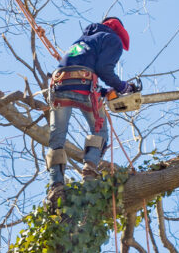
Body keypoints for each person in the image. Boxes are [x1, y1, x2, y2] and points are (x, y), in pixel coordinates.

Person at [45, 16, 139, 206]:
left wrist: (104, 91)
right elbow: (103, 69)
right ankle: (89, 171)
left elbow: (83, 69)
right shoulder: (113, 40)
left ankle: (56, 185)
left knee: (57, 137)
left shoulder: (81, 41)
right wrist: (123, 87)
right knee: (100, 130)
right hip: (83, 84)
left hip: (59, 85)